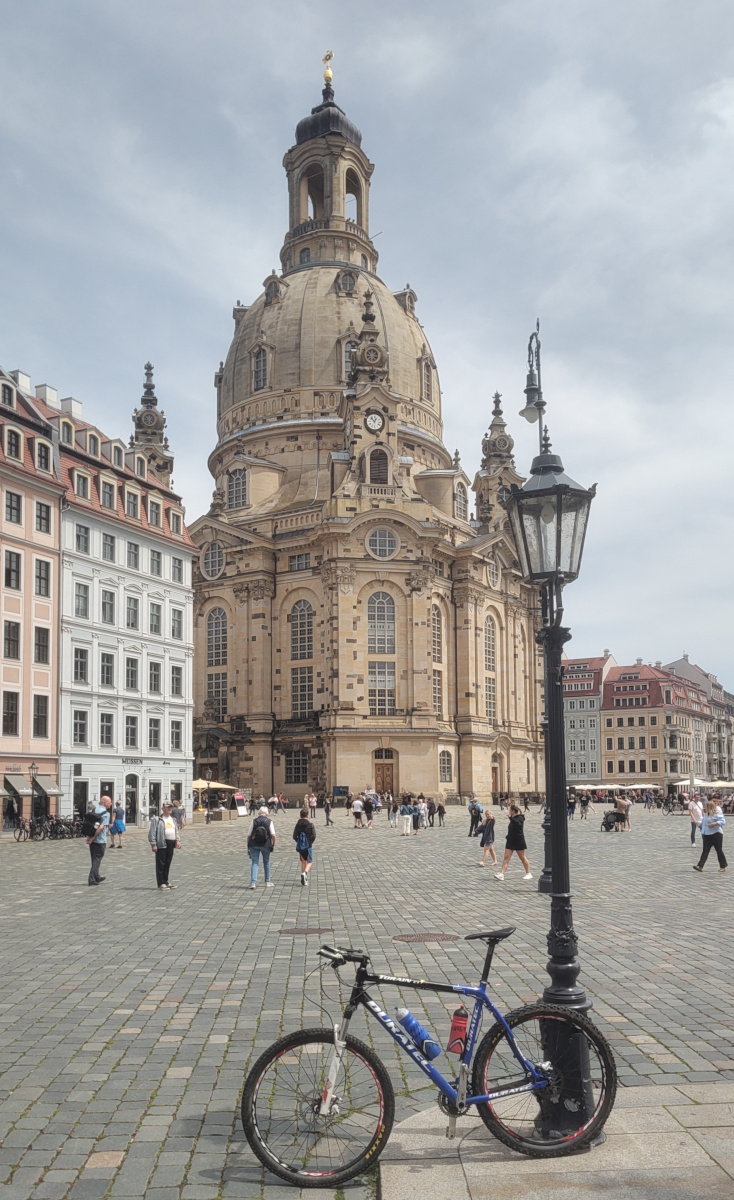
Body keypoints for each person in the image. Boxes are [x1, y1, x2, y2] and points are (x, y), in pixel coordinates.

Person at [149, 801, 181, 890]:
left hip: (171, 843)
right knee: (161, 863)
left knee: (167, 863)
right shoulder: (157, 819)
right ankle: (161, 883)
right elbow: (152, 832)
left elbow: (176, 831)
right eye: (168, 807)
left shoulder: (173, 819)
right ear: (163, 808)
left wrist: (177, 840)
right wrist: (153, 844)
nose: (170, 808)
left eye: (171, 807)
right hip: (161, 843)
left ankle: (166, 881)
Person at [495, 804, 532, 881]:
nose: (509, 811)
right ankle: (502, 874)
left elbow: (518, 824)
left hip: (518, 841)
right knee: (506, 857)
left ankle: (528, 873)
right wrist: (511, 818)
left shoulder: (520, 818)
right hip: (510, 840)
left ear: (512, 811)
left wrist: (511, 818)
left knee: (522, 857)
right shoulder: (513, 818)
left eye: (510, 810)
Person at [693, 800, 727, 873]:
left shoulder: (717, 813)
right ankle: (700, 866)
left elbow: (722, 821)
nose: (705, 807)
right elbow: (703, 819)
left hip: (716, 834)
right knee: (705, 850)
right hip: (707, 834)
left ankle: (723, 866)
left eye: (706, 806)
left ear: (710, 807)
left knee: (719, 850)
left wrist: (713, 824)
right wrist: (699, 822)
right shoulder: (707, 814)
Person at [248, 804, 276, 888]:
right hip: (266, 844)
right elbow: (273, 835)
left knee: (255, 862)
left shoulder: (254, 821)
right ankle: (267, 881)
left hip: (254, 843)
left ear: (259, 813)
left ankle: (253, 882)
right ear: (267, 813)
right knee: (266, 861)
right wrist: (273, 844)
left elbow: (249, 835)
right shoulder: (269, 821)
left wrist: (248, 845)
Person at [86, 796, 112, 885]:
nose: (111, 804)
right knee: (97, 859)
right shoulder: (106, 813)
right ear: (104, 802)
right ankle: (92, 879)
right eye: (109, 802)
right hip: (100, 840)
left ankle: (97, 876)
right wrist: (94, 837)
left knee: (94, 859)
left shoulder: (94, 810)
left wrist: (90, 836)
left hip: (92, 840)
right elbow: (101, 827)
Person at [293, 806, 316, 886]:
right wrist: (310, 842)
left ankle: (304, 878)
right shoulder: (310, 825)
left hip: (301, 847)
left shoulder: (297, 825)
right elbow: (314, 835)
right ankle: (305, 874)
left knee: (303, 861)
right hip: (308, 846)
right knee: (309, 862)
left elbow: (294, 836)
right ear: (307, 815)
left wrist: (299, 842)